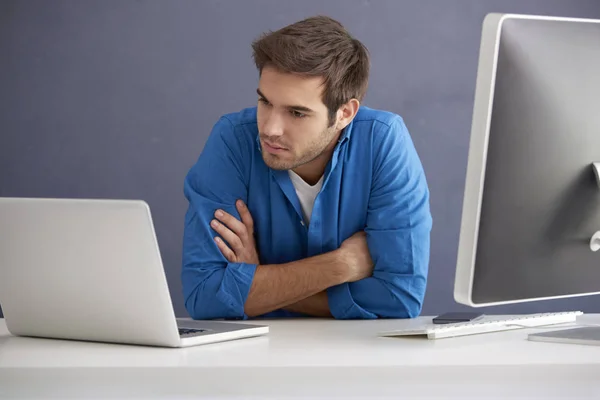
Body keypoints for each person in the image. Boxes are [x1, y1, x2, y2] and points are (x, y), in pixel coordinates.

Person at [181, 15, 432, 320]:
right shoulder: (233, 139)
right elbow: (205, 295)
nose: (270, 129)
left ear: (344, 113)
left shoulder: (383, 140)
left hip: (357, 357)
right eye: (265, 102)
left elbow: (398, 301)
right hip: (255, 357)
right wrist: (340, 265)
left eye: (297, 113)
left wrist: (260, 279)